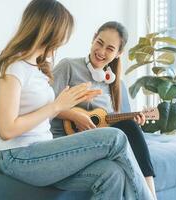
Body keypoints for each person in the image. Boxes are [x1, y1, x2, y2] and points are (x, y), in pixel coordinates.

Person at [0, 1, 154, 199]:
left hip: (41, 150)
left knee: (112, 174)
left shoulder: (37, 68)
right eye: (61, 36)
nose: (62, 42)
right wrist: (57, 106)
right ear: (48, 32)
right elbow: (7, 130)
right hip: (18, 156)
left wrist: (64, 103)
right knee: (115, 138)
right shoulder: (14, 67)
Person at [51, 21, 157, 199]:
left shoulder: (112, 83)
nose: (101, 52)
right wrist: (75, 115)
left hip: (96, 142)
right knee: (129, 130)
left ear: (118, 54)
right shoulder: (68, 66)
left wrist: (132, 118)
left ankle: (150, 194)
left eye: (110, 48)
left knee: (129, 127)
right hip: (64, 140)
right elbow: (46, 106)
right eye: (99, 43)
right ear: (93, 39)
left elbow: (105, 121)